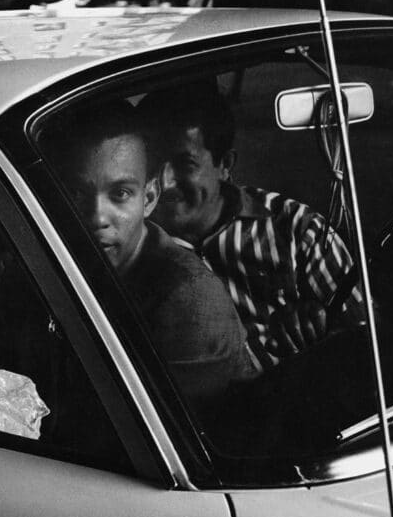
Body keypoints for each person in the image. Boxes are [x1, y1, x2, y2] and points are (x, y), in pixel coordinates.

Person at [138, 85, 365, 370]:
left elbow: (367, 340)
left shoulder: (298, 230)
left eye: (186, 164)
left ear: (225, 165)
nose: (165, 181)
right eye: (153, 162)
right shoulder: (129, 245)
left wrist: (322, 330)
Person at [48, 101, 255, 408]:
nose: (96, 217)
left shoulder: (190, 304)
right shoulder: (38, 263)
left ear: (149, 198)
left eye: (120, 194)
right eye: (77, 194)